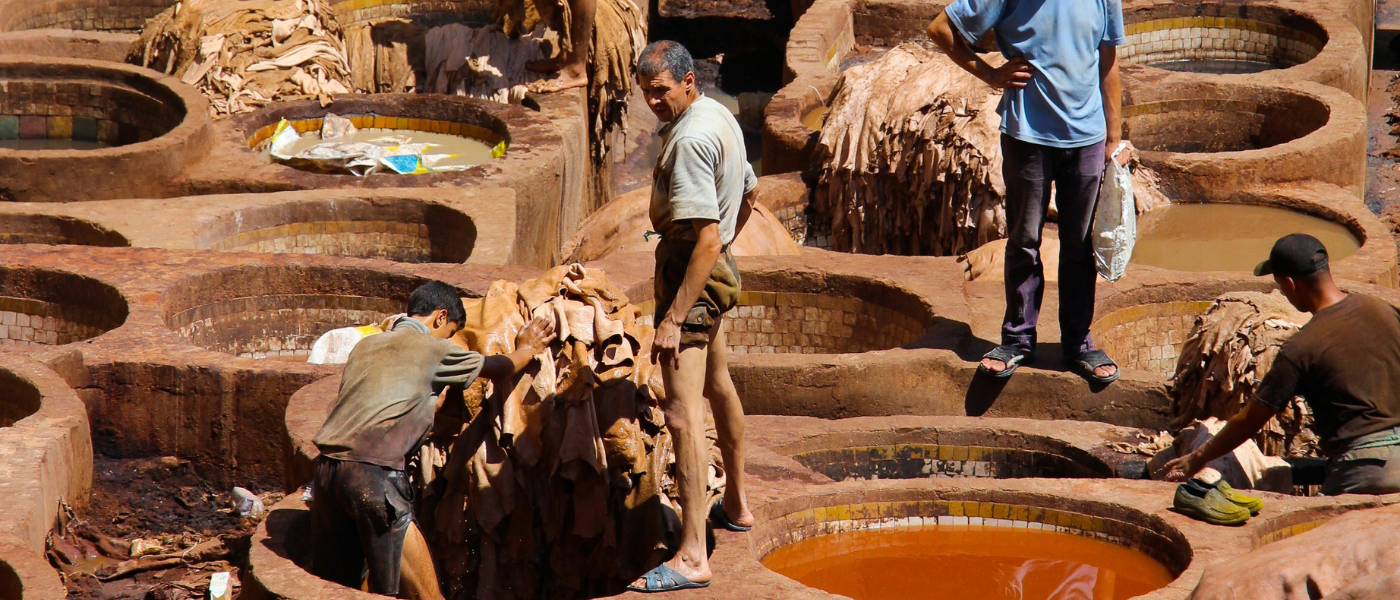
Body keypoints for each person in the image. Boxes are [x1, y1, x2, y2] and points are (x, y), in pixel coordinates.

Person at [309, 281, 556, 599]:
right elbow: (500, 368)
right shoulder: (436, 349)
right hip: (373, 478)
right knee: (428, 595)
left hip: (326, 474)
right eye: (451, 331)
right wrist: (527, 347)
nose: (450, 339)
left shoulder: (366, 346)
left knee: (343, 588)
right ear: (440, 318)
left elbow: (406, 395)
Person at [927, 0, 1130, 383]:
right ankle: (1017, 340)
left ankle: (1078, 345)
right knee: (1023, 239)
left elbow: (1109, 58)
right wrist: (989, 74)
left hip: (1087, 137)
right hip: (1027, 136)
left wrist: (1114, 136)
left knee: (1080, 243)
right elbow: (941, 29)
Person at [627, 40, 757, 593]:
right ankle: (738, 503)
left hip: (691, 279)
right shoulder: (719, 115)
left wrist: (675, 316)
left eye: (661, 91)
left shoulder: (691, 141)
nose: (654, 102)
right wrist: (726, 248)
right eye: (646, 94)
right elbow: (749, 191)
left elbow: (703, 236)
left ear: (687, 82)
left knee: (682, 414)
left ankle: (693, 553)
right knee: (720, 385)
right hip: (709, 273)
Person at [1165, 234, 1400, 495]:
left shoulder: (1301, 346)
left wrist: (1196, 458)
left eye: (1280, 285)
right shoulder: (1383, 310)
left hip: (1363, 471)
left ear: (1290, 283)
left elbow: (1249, 420)